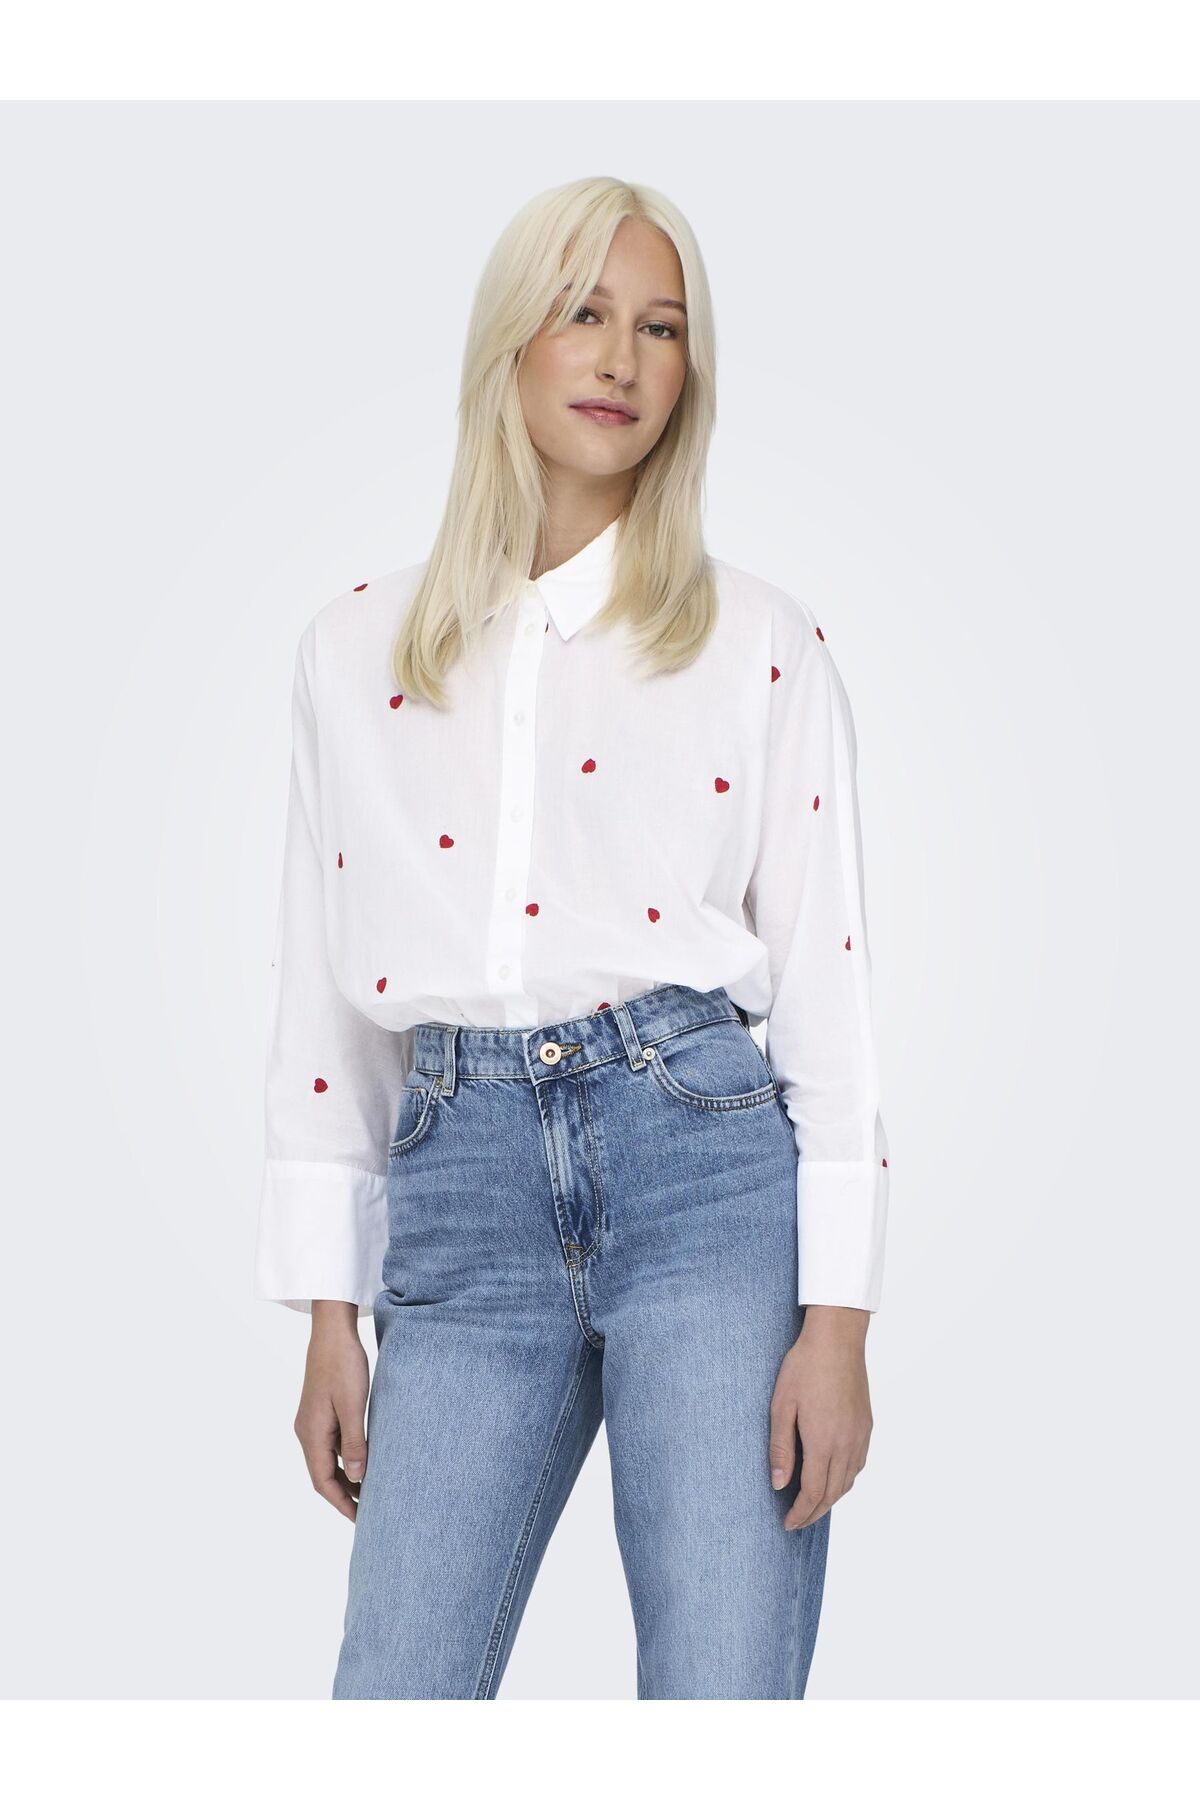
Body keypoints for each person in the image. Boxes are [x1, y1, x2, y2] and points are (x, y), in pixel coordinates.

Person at [254, 175, 891, 1700]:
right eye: (585, 313)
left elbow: (830, 993)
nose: (621, 358)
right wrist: (330, 1311)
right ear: (510, 341)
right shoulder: (353, 650)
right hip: (459, 1201)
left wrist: (840, 1326)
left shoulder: (761, 643)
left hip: (707, 1182)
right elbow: (323, 1005)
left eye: (661, 328)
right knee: (396, 1692)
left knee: (718, 1695)